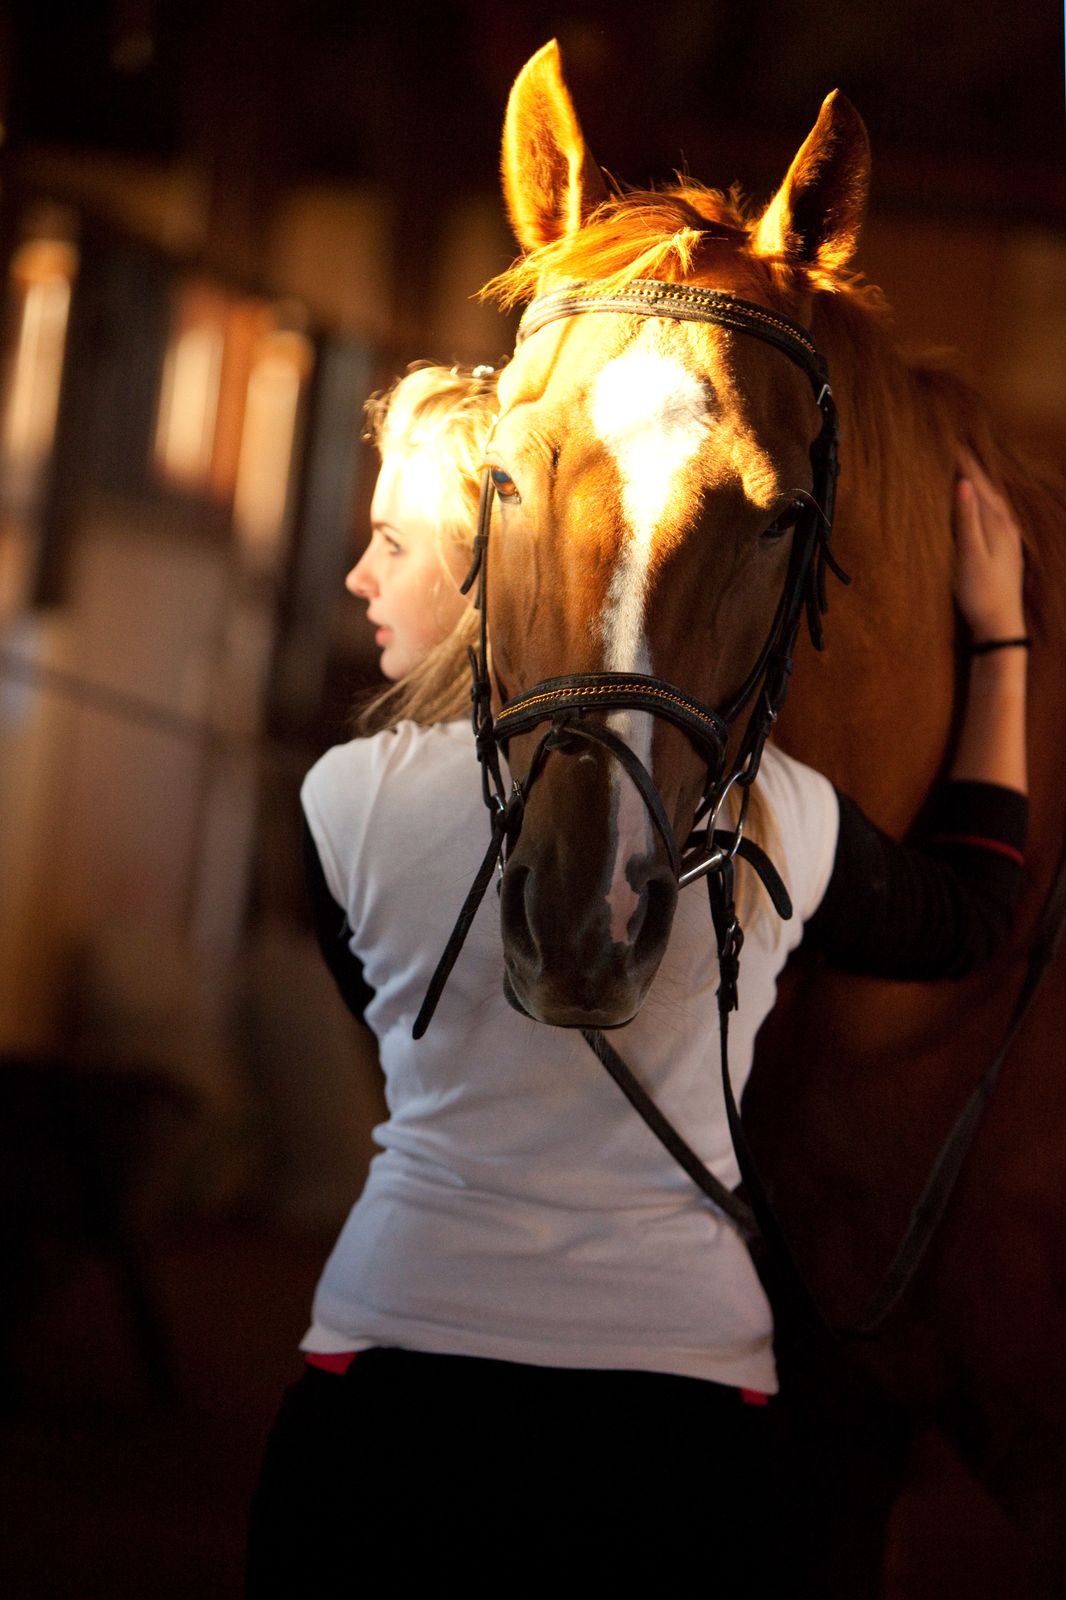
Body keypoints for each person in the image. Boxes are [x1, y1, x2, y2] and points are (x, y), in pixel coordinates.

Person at [246, 363, 1028, 1596]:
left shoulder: (346, 800)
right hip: (677, 1400)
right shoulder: (772, 809)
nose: (361, 573)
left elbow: (377, 1007)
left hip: (393, 1368)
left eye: (390, 539)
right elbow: (972, 913)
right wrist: (1001, 640)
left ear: (488, 565)